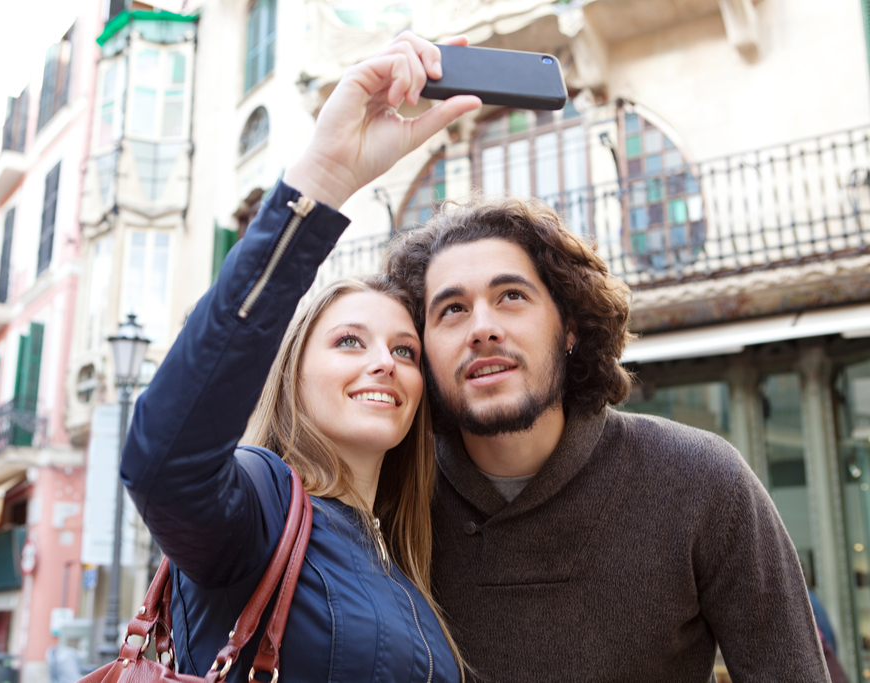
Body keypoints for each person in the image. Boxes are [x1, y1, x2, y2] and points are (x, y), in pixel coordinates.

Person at [121, 32, 481, 682]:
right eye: (350, 341)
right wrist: (323, 179)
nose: (386, 363)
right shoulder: (256, 505)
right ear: (291, 375)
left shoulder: (403, 563)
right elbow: (160, 463)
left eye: (404, 349)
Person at [383, 195, 831, 680]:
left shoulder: (702, 480)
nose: (483, 329)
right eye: (452, 309)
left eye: (512, 296)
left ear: (569, 326)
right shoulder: (388, 498)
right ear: (421, 348)